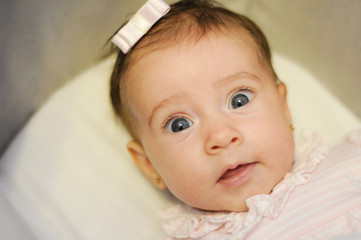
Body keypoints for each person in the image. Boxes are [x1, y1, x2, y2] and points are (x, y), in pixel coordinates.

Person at [108, 0, 361, 239]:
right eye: (179, 125)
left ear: (284, 107)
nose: (220, 136)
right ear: (149, 165)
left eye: (239, 100)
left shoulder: (352, 157)